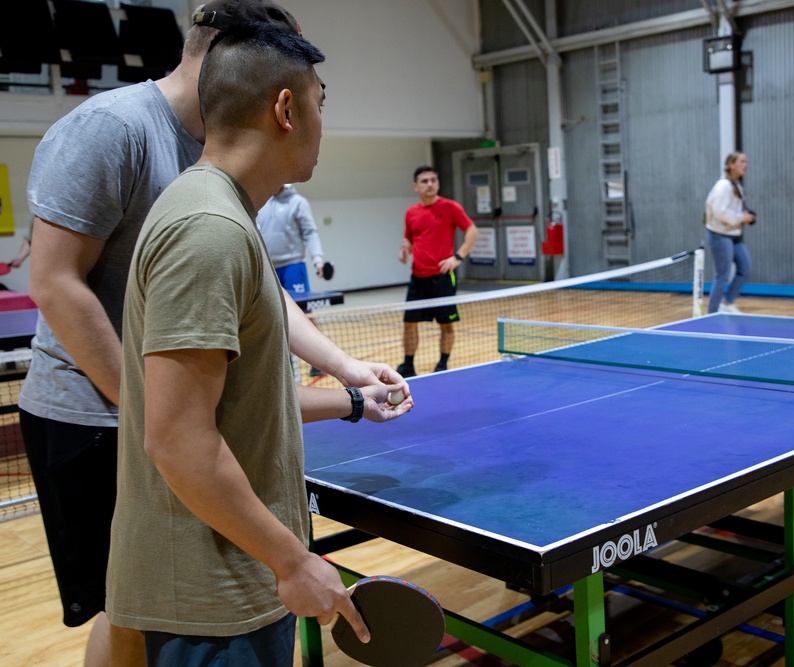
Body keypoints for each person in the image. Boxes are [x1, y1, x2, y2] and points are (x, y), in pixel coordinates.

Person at [21, 2, 404, 664]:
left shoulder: (220, 190)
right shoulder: (131, 146)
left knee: (139, 607)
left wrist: (345, 373)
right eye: (318, 99)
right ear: (282, 104)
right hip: (90, 413)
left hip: (172, 416)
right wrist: (291, 558)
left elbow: (256, 298)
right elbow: (56, 285)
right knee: (128, 609)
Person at [396, 165, 478, 377]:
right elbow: (409, 238)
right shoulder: (411, 212)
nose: (430, 184)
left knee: (446, 325)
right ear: (416, 186)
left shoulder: (450, 208)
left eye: (433, 180)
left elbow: (472, 230)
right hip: (418, 278)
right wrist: (404, 248)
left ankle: (442, 363)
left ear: (438, 183)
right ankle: (408, 364)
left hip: (442, 278)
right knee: (409, 324)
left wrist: (458, 257)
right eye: (424, 181)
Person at [704, 152, 755, 314]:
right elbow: (719, 211)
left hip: (734, 235)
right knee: (722, 275)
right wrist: (741, 217)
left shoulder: (736, 185)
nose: (745, 165)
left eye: (746, 161)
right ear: (731, 164)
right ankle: (711, 313)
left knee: (744, 268)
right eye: (741, 161)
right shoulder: (723, 186)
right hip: (720, 235)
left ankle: (727, 302)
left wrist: (747, 216)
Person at [257, 183, 325, 294]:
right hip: (268, 269)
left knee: (300, 307)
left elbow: (310, 233)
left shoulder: (298, 202)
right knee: (275, 311)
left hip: (293, 266)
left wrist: (318, 260)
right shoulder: (261, 203)